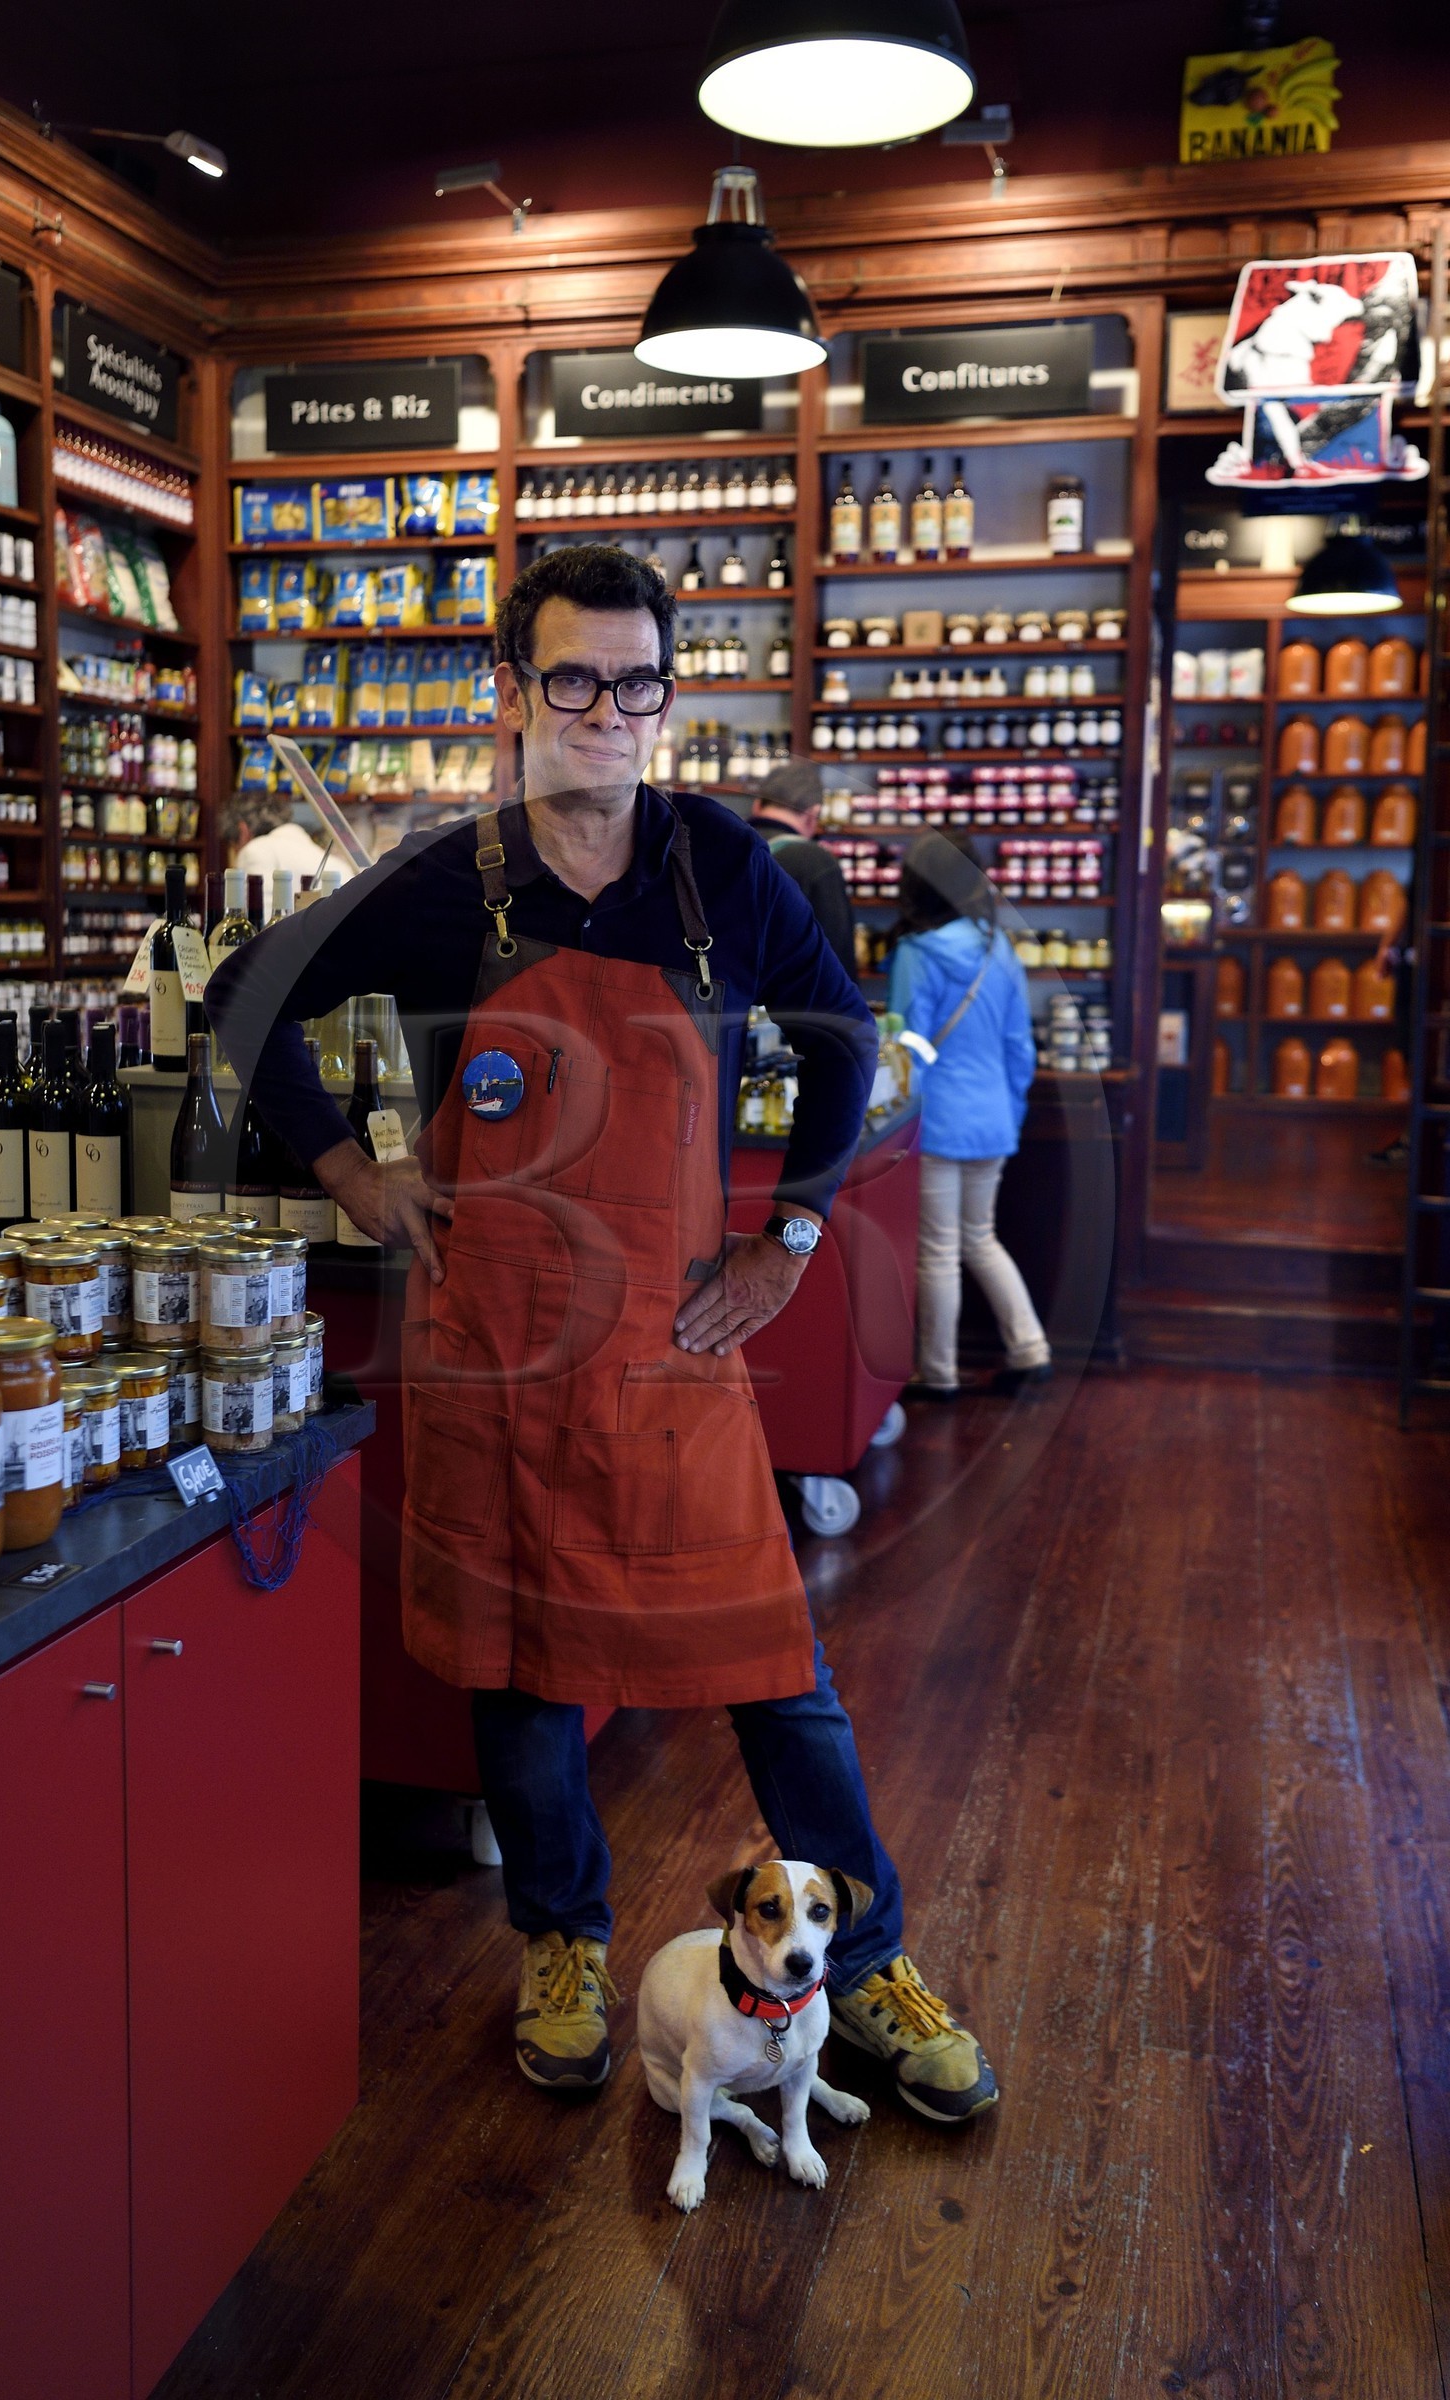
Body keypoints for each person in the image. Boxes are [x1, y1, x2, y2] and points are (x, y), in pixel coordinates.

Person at [207, 543, 997, 2130]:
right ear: (512, 695)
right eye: (572, 679)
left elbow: (842, 1039)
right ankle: (561, 1944)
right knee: (517, 1667)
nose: (607, 713)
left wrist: (786, 1238)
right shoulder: (448, 880)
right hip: (498, 1357)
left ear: (666, 696)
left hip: (672, 1360)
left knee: (780, 1674)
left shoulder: (717, 866)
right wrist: (358, 1176)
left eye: (637, 683)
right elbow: (247, 998)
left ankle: (868, 1969)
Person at [886, 828, 1051, 1399]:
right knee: (980, 1238)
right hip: (994, 1118)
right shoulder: (998, 949)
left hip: (939, 1122)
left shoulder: (916, 953)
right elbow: (1018, 1046)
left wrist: (895, 1114)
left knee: (937, 1251)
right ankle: (1030, 1349)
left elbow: (910, 1047)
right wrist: (1012, 1109)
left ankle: (937, 1373)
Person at [747, 760, 858, 980]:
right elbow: (835, 959)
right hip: (783, 1005)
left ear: (758, 805)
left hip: (721, 1000)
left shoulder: (724, 844)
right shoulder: (816, 863)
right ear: (812, 814)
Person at [230, 792, 352, 885]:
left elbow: (258, 916)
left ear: (243, 831)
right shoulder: (340, 866)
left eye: (234, 846)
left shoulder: (255, 851)